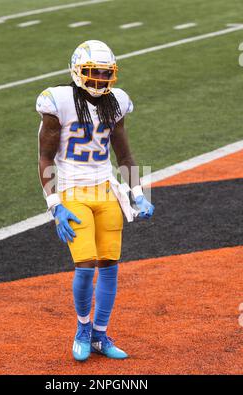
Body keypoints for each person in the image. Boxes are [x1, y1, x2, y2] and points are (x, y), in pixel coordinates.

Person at [37, 40, 154, 362]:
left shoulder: (116, 102)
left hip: (105, 190)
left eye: (106, 73)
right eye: (93, 73)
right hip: (73, 191)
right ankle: (83, 329)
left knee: (110, 266)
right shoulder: (57, 101)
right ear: (77, 71)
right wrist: (54, 205)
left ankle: (101, 333)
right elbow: (45, 158)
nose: (100, 79)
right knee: (85, 266)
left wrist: (138, 194)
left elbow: (125, 155)